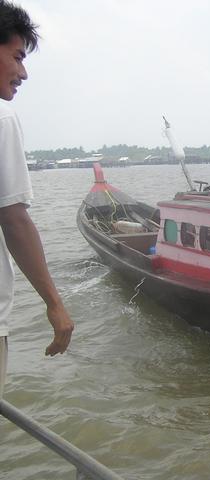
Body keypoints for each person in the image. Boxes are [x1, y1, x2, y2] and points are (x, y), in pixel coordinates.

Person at [0, 0, 74, 398]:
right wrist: (54, 304)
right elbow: (13, 219)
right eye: (17, 57)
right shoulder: (2, 118)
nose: (23, 73)